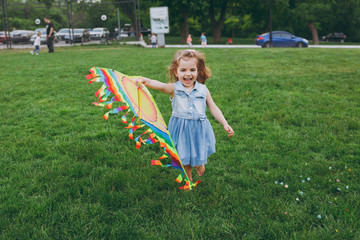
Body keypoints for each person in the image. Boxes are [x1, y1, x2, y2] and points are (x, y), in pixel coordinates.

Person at [139, 49, 234, 187]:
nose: (188, 74)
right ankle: (188, 178)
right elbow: (160, 86)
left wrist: (225, 123)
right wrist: (145, 81)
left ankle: (199, 164)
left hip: (199, 127)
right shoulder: (174, 88)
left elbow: (213, 107)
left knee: (198, 149)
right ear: (176, 72)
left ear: (198, 71)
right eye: (183, 70)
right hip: (180, 128)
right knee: (184, 155)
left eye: (192, 70)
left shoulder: (203, 89)